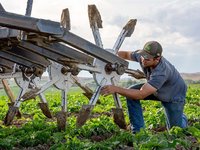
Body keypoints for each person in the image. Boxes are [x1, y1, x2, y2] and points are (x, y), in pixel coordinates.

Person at [101, 41, 188, 133]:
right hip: (156, 89)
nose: (143, 60)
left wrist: (115, 89)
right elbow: (126, 54)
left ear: (157, 59)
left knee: (176, 130)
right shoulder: (142, 55)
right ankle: (138, 131)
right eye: (143, 56)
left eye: (147, 59)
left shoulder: (161, 72)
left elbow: (141, 94)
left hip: (173, 95)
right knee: (131, 93)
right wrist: (109, 56)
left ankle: (182, 118)